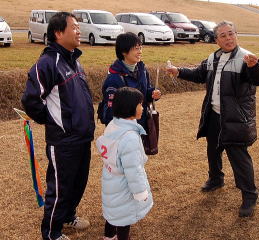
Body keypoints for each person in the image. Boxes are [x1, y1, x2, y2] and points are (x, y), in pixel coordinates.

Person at [166, 20, 259, 217]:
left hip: (235, 118)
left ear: (236, 35)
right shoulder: (213, 57)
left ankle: (249, 196)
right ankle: (216, 179)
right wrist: (179, 71)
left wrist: (255, 66)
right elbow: (199, 74)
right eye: (223, 35)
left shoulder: (245, 57)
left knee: (239, 157)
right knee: (213, 150)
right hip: (214, 114)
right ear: (216, 40)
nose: (228, 38)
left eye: (231, 33)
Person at [21, 12, 95, 240]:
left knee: (77, 183)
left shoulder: (74, 60)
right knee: (60, 188)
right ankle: (51, 232)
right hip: (63, 141)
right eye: (73, 27)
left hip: (82, 138)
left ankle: (68, 216)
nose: (78, 30)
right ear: (58, 32)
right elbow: (31, 100)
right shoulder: (47, 63)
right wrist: (52, 121)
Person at [96, 87, 153, 240]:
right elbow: (133, 170)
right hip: (124, 186)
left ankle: (108, 236)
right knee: (124, 218)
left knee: (113, 211)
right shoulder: (129, 137)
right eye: (140, 104)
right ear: (130, 107)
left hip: (111, 180)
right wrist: (141, 193)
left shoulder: (113, 126)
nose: (143, 107)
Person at [100, 32, 161, 151]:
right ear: (124, 51)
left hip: (140, 125)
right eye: (136, 49)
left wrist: (153, 93)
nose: (140, 52)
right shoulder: (114, 78)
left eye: (140, 48)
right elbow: (110, 113)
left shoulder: (142, 70)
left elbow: (145, 92)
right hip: (123, 134)